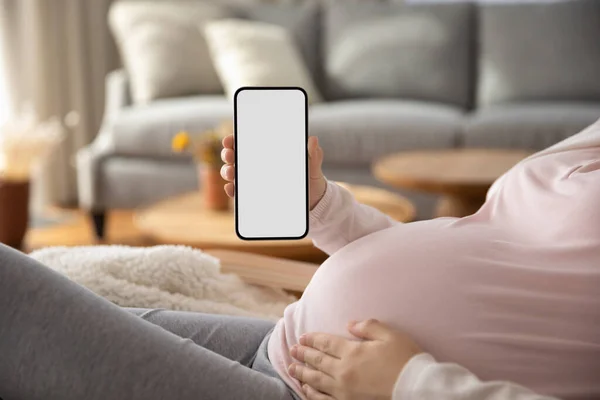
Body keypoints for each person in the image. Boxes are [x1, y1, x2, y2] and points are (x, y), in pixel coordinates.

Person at [0, 120, 598, 400]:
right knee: (75, 306)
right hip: (291, 344)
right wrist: (320, 204)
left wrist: (409, 384)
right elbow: (473, 243)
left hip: (335, 395)